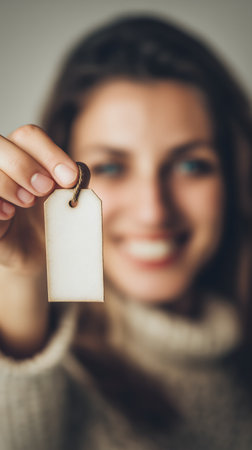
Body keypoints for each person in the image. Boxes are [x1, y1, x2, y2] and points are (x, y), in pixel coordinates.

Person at [0, 14, 252, 450]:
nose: (154, 210)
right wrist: (21, 280)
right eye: (111, 167)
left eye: (191, 165)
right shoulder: (50, 376)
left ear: (234, 178)